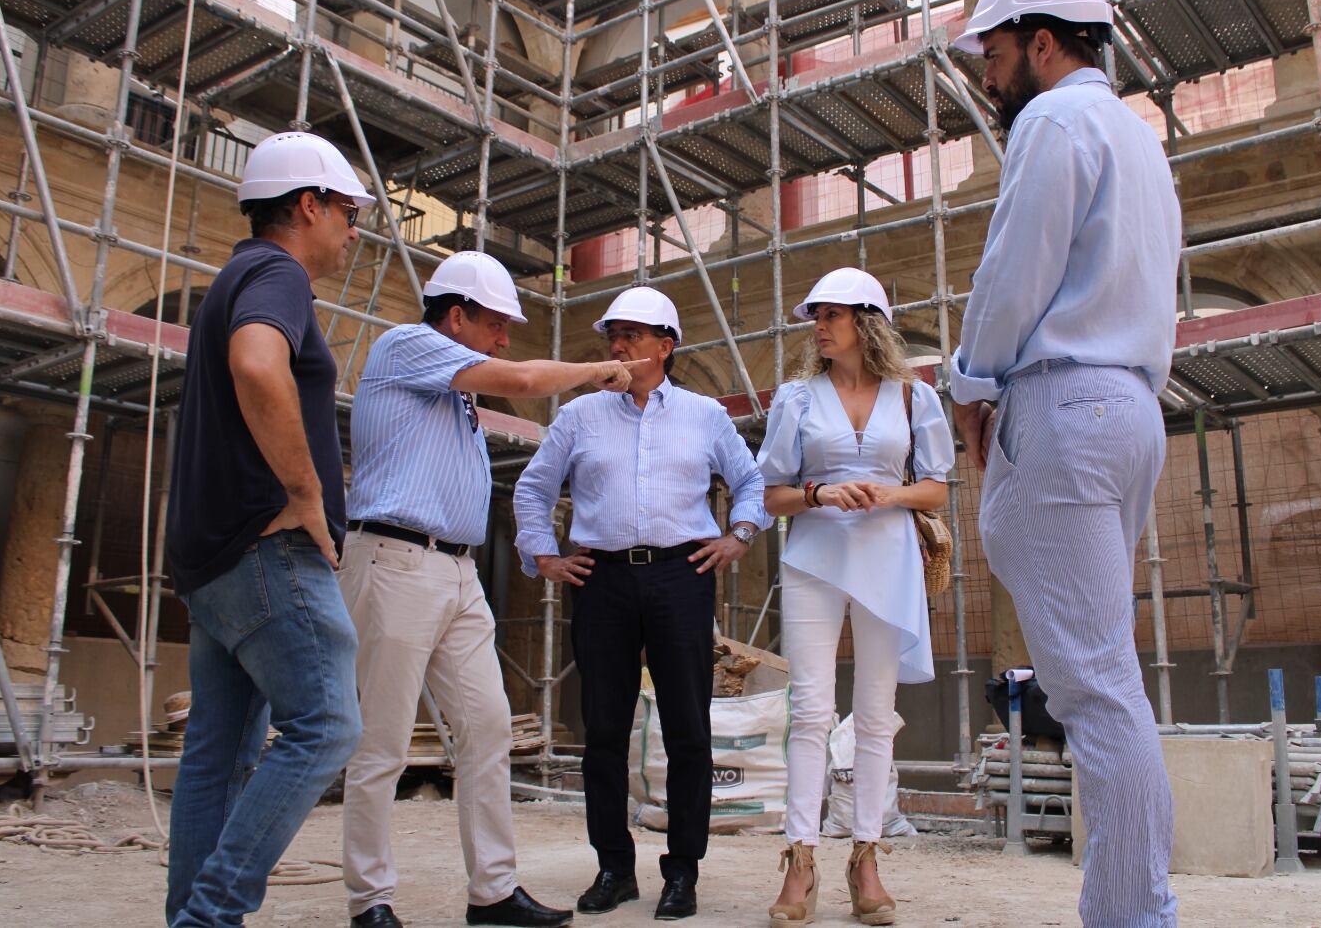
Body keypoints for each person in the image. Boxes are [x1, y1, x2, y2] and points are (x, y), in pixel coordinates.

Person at [948, 0, 1183, 927]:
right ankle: (1136, 905)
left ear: (1042, 43)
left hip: (1067, 402)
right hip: (1129, 407)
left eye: (994, 54)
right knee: (1107, 680)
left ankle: (1133, 914)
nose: (988, 76)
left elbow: (1015, 272)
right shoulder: (1138, 139)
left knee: (1094, 692)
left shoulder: (1052, 122)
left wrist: (968, 384)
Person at [340, 251, 638, 928]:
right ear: (456, 316)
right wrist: (594, 371)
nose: (503, 339)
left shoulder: (457, 393)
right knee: (383, 738)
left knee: (488, 727)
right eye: (497, 324)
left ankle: (493, 892)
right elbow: (527, 378)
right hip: (396, 558)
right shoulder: (407, 345)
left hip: (455, 570)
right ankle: (370, 901)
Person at [164, 131, 369, 927]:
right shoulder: (277, 273)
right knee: (327, 725)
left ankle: (192, 918)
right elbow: (257, 363)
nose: (354, 232)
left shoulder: (236, 275)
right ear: (308, 206)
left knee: (218, 754)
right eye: (348, 213)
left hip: (217, 557)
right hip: (267, 547)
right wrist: (307, 492)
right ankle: (209, 915)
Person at [511, 287, 767, 921]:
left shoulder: (705, 415)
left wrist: (738, 536)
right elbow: (534, 488)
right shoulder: (580, 415)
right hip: (602, 580)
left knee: (688, 727)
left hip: (682, 575)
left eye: (632, 334)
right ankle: (614, 869)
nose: (618, 346)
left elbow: (750, 481)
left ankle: (683, 872)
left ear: (665, 345)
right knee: (603, 729)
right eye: (613, 335)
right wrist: (542, 555)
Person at [754, 268, 952, 928]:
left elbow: (936, 487)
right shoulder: (796, 398)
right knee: (810, 711)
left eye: (831, 315)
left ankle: (866, 858)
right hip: (814, 557)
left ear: (866, 322)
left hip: (887, 559)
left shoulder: (914, 396)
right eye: (816, 316)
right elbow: (770, 494)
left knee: (874, 713)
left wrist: (888, 493)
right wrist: (820, 493)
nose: (819, 326)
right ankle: (800, 860)